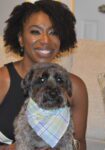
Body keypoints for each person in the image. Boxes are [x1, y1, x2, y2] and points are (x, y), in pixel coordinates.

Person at [0, 0, 88, 150]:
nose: (45, 40)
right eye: (35, 31)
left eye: (53, 32)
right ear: (20, 38)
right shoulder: (3, 79)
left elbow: (79, 142)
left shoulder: (75, 86)